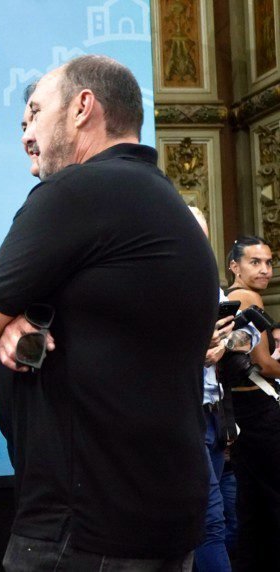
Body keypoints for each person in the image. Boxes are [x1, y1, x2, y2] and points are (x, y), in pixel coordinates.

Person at [0, 55, 219, 570]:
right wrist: (21, 316)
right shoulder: (165, 200)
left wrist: (5, 318)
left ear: (82, 108)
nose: (26, 134)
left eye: (35, 113)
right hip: (156, 516)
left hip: (84, 532)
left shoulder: (74, 191)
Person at [189, 207, 259, 572]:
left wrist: (226, 344)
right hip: (183, 416)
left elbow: (250, 334)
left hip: (217, 415)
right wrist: (197, 351)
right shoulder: (157, 282)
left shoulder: (210, 286)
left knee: (221, 520)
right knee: (210, 521)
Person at [222, 235, 280, 571]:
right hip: (259, 409)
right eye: (254, 262)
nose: (264, 270)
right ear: (235, 266)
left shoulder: (230, 297)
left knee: (252, 503)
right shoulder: (247, 297)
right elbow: (265, 365)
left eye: (269, 262)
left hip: (241, 410)